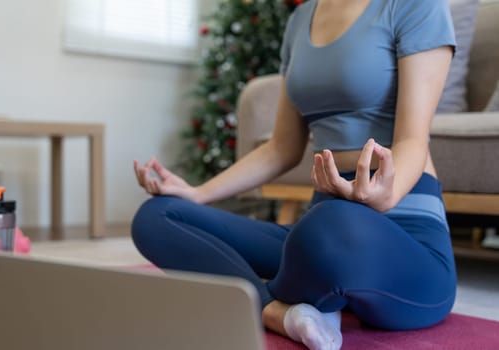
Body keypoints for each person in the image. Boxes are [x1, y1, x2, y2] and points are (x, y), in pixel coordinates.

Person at [131, 0, 457, 348]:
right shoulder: (301, 19)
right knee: (158, 214)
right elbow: (282, 148)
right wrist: (198, 193)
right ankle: (277, 311)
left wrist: (383, 195)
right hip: (318, 231)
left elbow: (413, 138)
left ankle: (285, 293)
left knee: (330, 225)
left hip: (402, 234)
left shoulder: (415, 5)